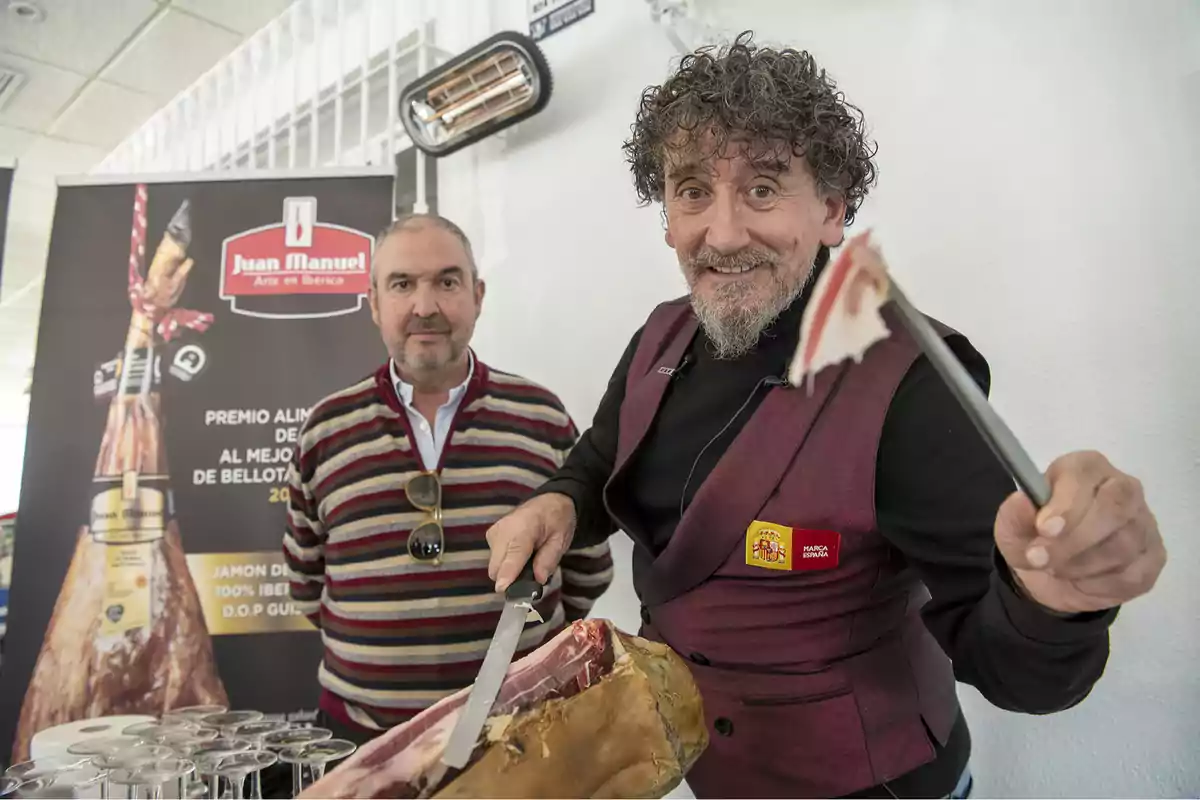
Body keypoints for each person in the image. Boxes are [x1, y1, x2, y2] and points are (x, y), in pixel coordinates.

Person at [485, 33, 1167, 799]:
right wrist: (560, 502)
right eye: (692, 191)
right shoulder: (659, 334)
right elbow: (603, 455)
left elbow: (1020, 674)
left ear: (834, 210)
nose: (725, 232)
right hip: (699, 769)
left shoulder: (910, 383)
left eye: (764, 189)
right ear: (666, 215)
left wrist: (1059, 600)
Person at [283, 213, 614, 747]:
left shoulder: (541, 418)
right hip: (361, 745)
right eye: (402, 284)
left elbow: (586, 571)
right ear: (373, 302)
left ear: (477, 295)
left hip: (523, 740)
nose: (425, 306)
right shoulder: (326, 430)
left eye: (447, 281)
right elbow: (305, 584)